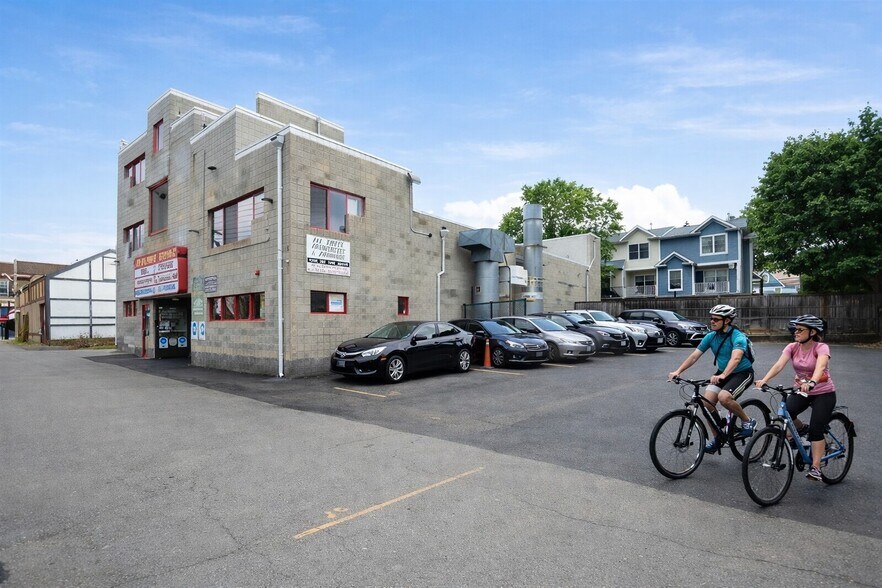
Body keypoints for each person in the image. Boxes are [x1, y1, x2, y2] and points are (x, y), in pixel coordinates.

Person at [755, 314, 834, 481]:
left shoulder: (821, 347)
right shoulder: (792, 347)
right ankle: (801, 429)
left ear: (812, 332)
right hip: (802, 391)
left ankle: (816, 467)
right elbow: (779, 365)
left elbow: (820, 366)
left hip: (823, 392)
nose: (795, 332)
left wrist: (812, 381)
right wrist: (765, 380)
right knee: (785, 413)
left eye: (800, 330)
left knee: (816, 430)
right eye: (794, 329)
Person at [668, 304, 756, 452]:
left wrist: (723, 375)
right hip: (722, 372)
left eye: (716, 319)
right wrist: (678, 371)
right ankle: (718, 437)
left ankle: (747, 421)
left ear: (727, 321)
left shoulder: (737, 336)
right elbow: (695, 355)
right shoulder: (711, 336)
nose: (712, 322)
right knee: (706, 403)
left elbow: (736, 358)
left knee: (724, 397)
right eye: (711, 318)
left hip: (742, 373)